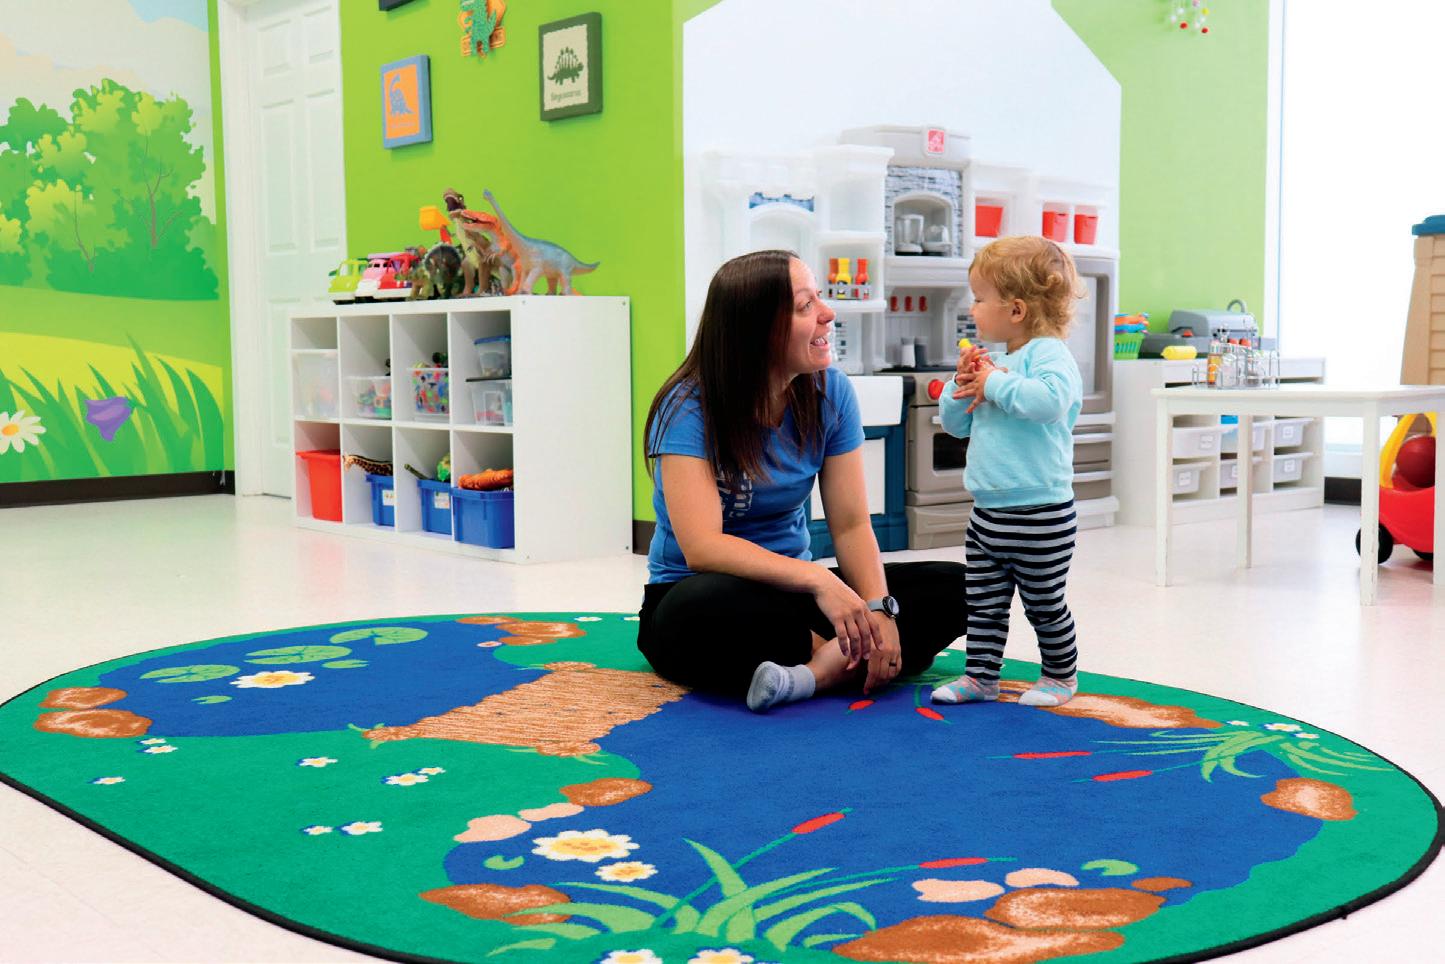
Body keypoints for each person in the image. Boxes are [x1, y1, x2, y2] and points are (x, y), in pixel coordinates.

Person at [636, 249, 967, 712]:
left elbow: (851, 525)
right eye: (806, 305)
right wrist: (818, 580)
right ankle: (847, 662)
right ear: (757, 328)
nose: (828, 314)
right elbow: (703, 548)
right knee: (697, 607)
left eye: (820, 299)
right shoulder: (687, 406)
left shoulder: (831, 391)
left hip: (795, 598)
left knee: (961, 586)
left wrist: (878, 607)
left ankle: (812, 670)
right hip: (705, 594)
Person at [930, 236, 1085, 708]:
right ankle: (981, 677)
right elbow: (956, 424)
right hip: (988, 514)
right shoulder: (994, 364)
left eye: (980, 299)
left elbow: (1049, 401)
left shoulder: (1049, 354)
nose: (972, 308)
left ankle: (1060, 676)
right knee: (984, 606)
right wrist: (960, 384)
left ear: (1016, 310)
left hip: (1041, 514)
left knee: (1044, 604)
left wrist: (993, 382)